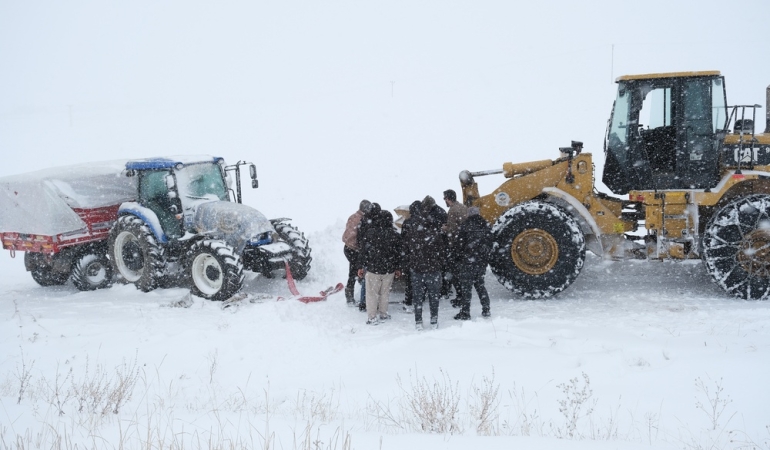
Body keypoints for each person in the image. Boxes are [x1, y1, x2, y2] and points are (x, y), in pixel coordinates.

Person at [403, 205, 446, 330]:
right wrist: (438, 264)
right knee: (434, 297)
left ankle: (418, 321)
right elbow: (442, 252)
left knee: (417, 297)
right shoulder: (436, 233)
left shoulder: (412, 233)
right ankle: (433, 320)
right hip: (433, 270)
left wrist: (412, 263)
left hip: (417, 270)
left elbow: (406, 250)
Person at [357, 210, 401, 325]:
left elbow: (363, 251)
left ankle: (372, 317)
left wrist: (361, 266)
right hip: (389, 270)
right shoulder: (395, 235)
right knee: (385, 293)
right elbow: (398, 253)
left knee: (372, 293)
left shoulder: (370, 233)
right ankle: (383, 313)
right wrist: (397, 267)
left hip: (373, 269)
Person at [453, 207, 493, 320]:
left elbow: (459, 245)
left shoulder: (465, 226)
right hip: (481, 263)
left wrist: (458, 257)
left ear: (469, 214)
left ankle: (465, 312)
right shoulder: (485, 225)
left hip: (467, 262)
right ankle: (486, 309)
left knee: (466, 288)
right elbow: (490, 243)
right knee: (480, 286)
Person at [442, 189, 468, 306]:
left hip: (456, 246)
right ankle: (463, 296)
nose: (444, 201)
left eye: (445, 198)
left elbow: (452, 230)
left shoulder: (452, 210)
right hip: (464, 244)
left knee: (454, 273)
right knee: (461, 272)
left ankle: (460, 297)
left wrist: (444, 228)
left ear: (448, 198)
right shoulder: (463, 207)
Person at [342, 200, 371, 304]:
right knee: (355, 270)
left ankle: (350, 292)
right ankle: (350, 294)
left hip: (347, 247)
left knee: (353, 270)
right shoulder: (363, 220)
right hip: (355, 249)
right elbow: (360, 237)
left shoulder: (353, 216)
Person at [355, 202, 382, 311]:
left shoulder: (363, 221)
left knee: (366, 281)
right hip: (376, 255)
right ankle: (375, 304)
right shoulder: (380, 222)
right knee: (377, 282)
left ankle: (363, 302)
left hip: (366, 254)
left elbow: (360, 238)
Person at [399, 201, 423, 312]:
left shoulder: (407, 223)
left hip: (410, 256)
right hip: (423, 256)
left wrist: (403, 257)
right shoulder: (425, 222)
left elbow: (403, 240)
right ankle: (419, 300)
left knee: (409, 281)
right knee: (421, 280)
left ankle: (408, 302)